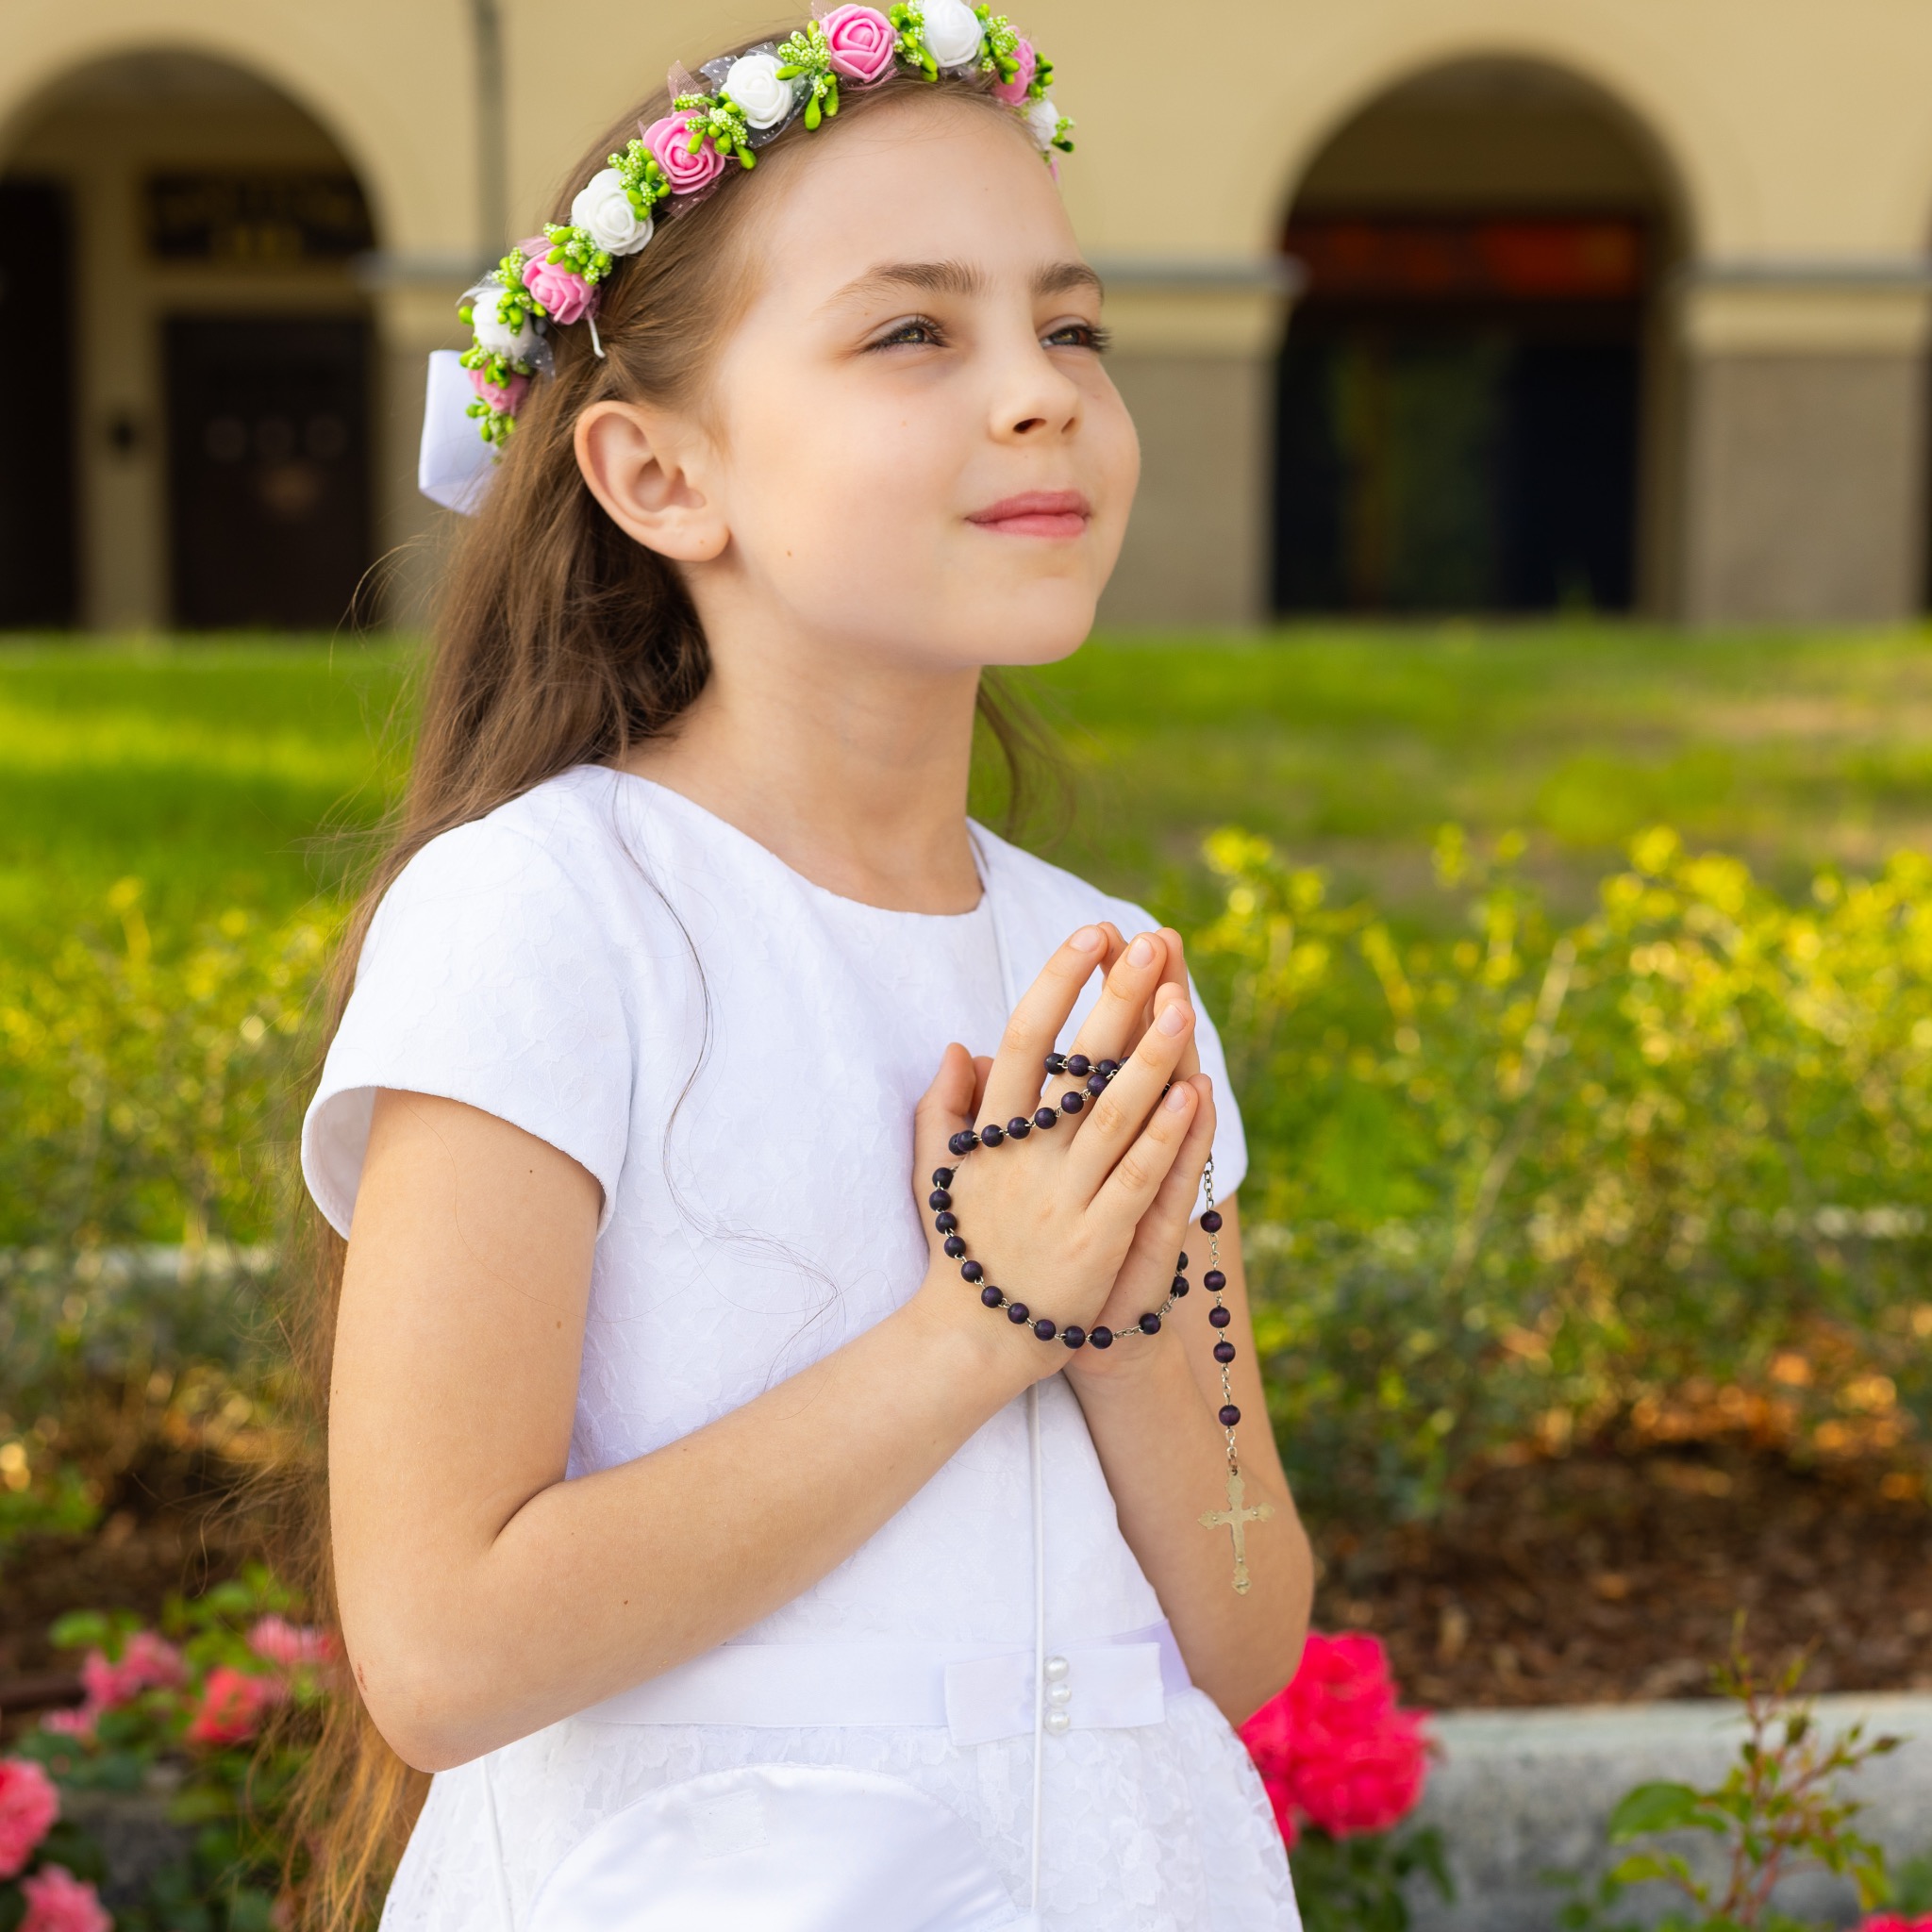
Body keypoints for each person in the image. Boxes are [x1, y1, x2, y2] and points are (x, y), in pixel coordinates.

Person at [298, 11, 1312, 1927]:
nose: (1038, 394)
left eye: (1071, 326)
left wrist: (1142, 1286)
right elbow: (439, 1646)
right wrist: (978, 1325)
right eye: (912, 331)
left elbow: (1245, 1626)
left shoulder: (1089, 968)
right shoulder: (552, 916)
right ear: (658, 471)